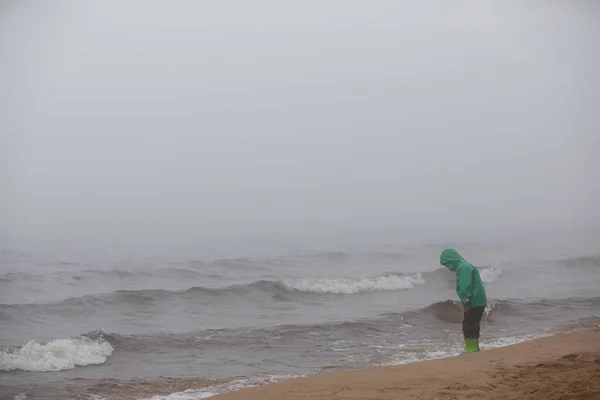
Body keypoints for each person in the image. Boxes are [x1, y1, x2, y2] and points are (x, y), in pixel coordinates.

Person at [440, 248, 487, 354]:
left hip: (474, 300)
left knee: (468, 324)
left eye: (447, 264)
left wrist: (466, 302)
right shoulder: (466, 265)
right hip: (479, 299)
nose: (448, 267)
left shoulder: (463, 268)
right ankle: (475, 347)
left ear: (451, 260)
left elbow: (465, 286)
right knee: (474, 323)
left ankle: (471, 348)